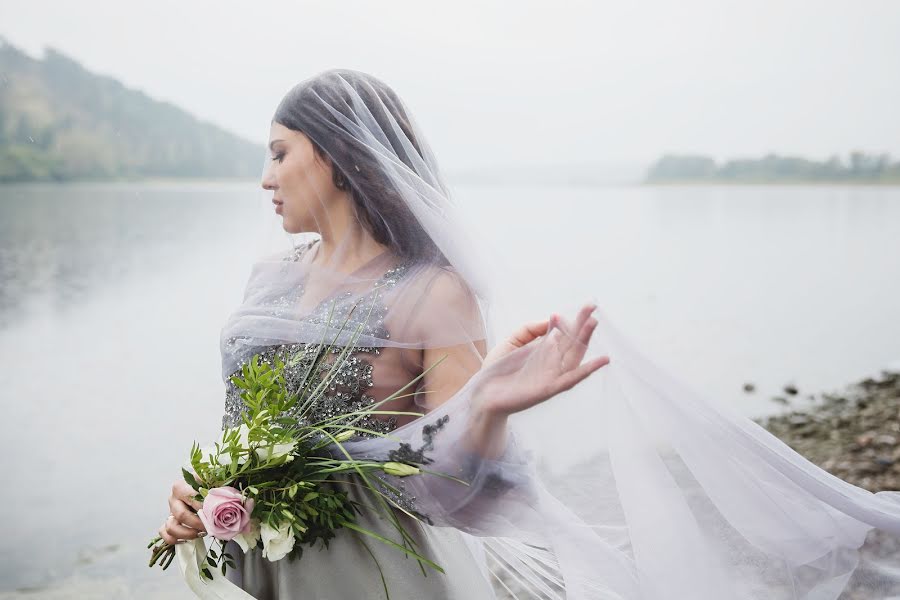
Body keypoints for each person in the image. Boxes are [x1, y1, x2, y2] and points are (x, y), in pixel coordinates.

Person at [160, 69, 900, 600]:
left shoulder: (432, 292)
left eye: (279, 151)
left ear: (337, 154)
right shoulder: (269, 278)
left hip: (382, 574)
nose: (265, 178)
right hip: (255, 562)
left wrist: (488, 408)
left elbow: (454, 490)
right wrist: (202, 498)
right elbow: (245, 425)